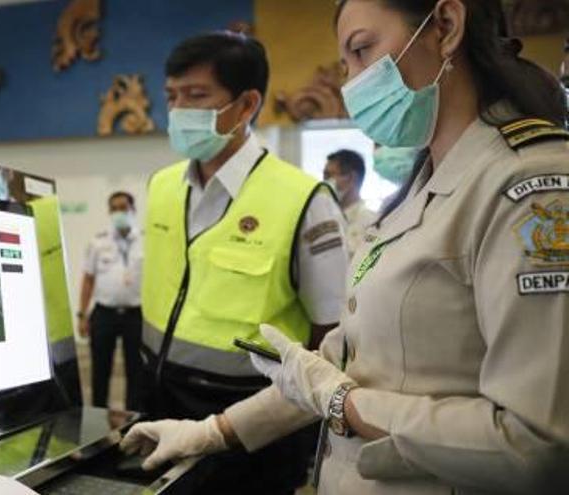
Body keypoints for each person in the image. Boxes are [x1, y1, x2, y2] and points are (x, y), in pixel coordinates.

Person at [121, 1, 569, 493]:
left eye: (362, 50)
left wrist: (344, 403)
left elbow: (537, 446)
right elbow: (334, 367)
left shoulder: (530, 186)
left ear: (445, 26)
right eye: (345, 64)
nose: (352, 82)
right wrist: (211, 431)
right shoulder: (420, 188)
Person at [138, 32, 349, 493]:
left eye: (196, 96)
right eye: (172, 96)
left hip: (251, 429)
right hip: (158, 402)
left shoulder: (303, 200)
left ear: (246, 104)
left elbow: (330, 335)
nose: (178, 111)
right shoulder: (161, 186)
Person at [77, 191, 143, 411]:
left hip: (136, 315)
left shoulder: (145, 241)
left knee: (137, 370)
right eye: (114, 208)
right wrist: (81, 314)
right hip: (104, 313)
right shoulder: (98, 242)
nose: (118, 213)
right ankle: (98, 417)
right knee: (100, 370)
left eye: (123, 207)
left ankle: (133, 419)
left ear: (133, 210)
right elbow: (88, 279)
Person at [323, 149, 377, 256]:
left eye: (329, 175)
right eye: (325, 176)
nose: (325, 182)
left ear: (352, 178)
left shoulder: (371, 222)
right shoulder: (325, 218)